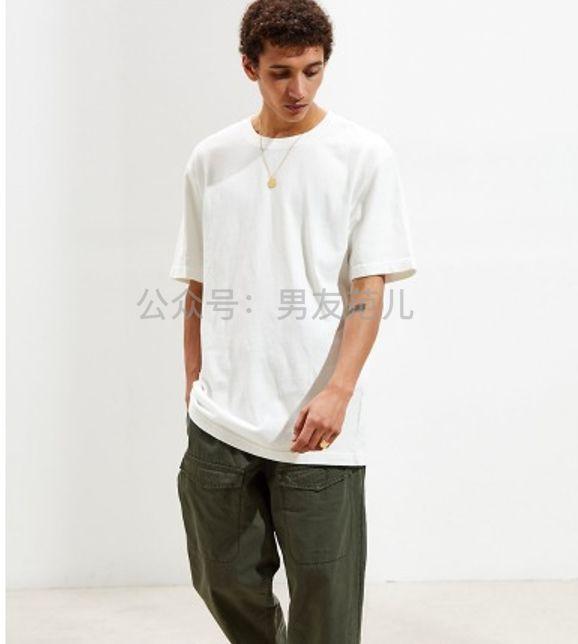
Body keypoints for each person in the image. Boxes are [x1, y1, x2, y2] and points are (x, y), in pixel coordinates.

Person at [169, 1, 417, 641]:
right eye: (280, 72)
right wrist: (194, 381)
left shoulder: (362, 155)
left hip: (317, 425)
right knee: (221, 577)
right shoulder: (211, 159)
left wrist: (338, 391)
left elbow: (368, 288)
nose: (298, 89)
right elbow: (198, 285)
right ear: (249, 66)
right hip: (220, 419)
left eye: (313, 70)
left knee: (326, 605)